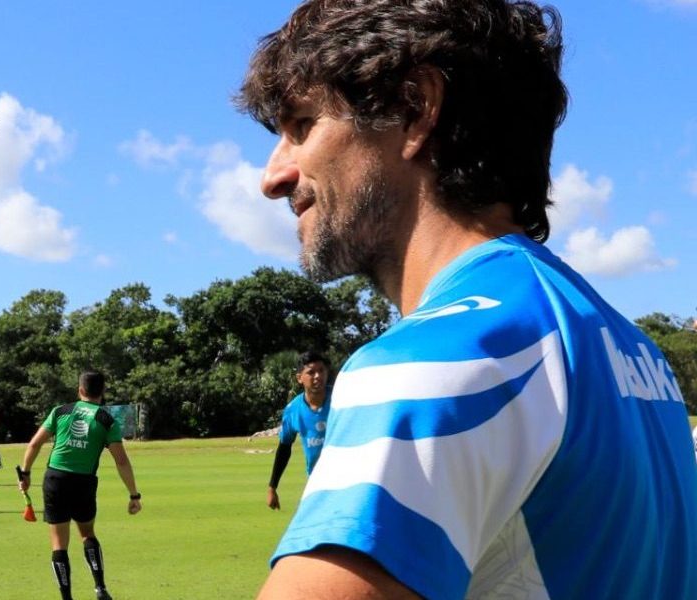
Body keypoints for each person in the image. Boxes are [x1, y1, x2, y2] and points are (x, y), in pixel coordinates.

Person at [238, 1, 697, 598]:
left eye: (301, 126)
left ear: (414, 109)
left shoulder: (430, 365)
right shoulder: (636, 355)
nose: (272, 176)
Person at [19, 371, 142, 600]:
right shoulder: (106, 419)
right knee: (87, 534)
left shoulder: (61, 411)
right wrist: (134, 495)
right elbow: (122, 461)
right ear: (102, 393)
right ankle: (100, 588)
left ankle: (67, 597)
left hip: (55, 478)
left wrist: (25, 473)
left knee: (59, 544)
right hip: (84, 481)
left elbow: (34, 444)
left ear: (80, 390)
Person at [266, 351, 331, 511]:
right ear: (299, 378)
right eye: (311, 372)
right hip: (316, 482)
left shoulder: (342, 399)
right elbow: (284, 447)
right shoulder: (293, 410)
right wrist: (272, 487)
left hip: (347, 480)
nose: (317, 376)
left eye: (321, 371)